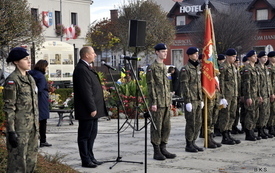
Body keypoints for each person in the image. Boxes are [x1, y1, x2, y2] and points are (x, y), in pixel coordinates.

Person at [3, 47, 39, 173]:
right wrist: (11, 131)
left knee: (31, 162)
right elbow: (9, 107)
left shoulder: (30, 78)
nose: (29, 61)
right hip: (20, 129)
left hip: (32, 128)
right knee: (18, 164)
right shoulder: (13, 80)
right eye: (25, 59)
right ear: (16, 62)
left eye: (29, 58)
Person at [73, 46, 108, 168]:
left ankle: (91, 157)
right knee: (85, 136)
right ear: (86, 55)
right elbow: (85, 91)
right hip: (87, 110)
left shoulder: (87, 67)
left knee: (92, 135)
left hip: (93, 109)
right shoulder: (81, 69)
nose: (95, 55)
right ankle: (85, 160)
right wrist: (91, 108)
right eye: (93, 53)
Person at [146, 43, 176, 160]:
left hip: (165, 102)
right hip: (157, 102)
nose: (165, 53)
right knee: (156, 127)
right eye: (163, 51)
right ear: (157, 52)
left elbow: (167, 86)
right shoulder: (152, 68)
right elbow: (151, 86)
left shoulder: (164, 67)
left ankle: (164, 148)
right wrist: (153, 102)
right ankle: (157, 150)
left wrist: (169, 100)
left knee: (166, 126)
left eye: (166, 51)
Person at [179, 47, 204, 152]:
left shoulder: (198, 67)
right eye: (194, 54)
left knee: (198, 122)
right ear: (189, 55)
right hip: (191, 99)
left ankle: (194, 142)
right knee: (191, 122)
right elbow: (185, 86)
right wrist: (188, 101)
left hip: (198, 98)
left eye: (197, 53)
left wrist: (201, 98)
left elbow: (199, 84)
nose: (197, 55)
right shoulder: (186, 69)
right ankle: (189, 144)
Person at [218, 48, 241, 145]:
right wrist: (222, 96)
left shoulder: (233, 67)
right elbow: (221, 82)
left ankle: (229, 132)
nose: (234, 58)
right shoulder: (223, 67)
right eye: (233, 56)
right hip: (226, 96)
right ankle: (224, 135)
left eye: (235, 56)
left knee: (232, 115)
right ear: (227, 56)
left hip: (234, 94)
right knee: (225, 115)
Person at [28, 60, 52, 147]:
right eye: (46, 66)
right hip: (41, 100)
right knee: (43, 120)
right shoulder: (41, 76)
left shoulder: (30, 73)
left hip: (31, 99)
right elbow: (41, 89)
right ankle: (43, 140)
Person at [242, 50, 262, 141]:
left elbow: (257, 84)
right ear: (249, 57)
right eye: (254, 56)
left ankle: (252, 132)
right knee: (250, 114)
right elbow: (247, 84)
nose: (256, 58)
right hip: (250, 95)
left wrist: (259, 95)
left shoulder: (255, 68)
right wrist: (248, 97)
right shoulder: (247, 69)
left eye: (256, 56)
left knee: (255, 115)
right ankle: (248, 133)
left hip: (256, 95)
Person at [256, 51, 273, 139]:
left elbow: (269, 83)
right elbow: (257, 84)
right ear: (259, 58)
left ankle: (263, 129)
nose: (265, 59)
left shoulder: (266, 68)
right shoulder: (257, 68)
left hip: (267, 93)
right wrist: (258, 95)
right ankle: (260, 130)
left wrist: (271, 93)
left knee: (267, 113)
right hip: (261, 94)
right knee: (261, 113)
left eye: (266, 57)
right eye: (263, 57)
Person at [267, 51, 275, 135]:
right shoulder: (269, 68)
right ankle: (271, 127)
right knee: (271, 111)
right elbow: (269, 82)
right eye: (273, 57)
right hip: (272, 91)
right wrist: (271, 93)